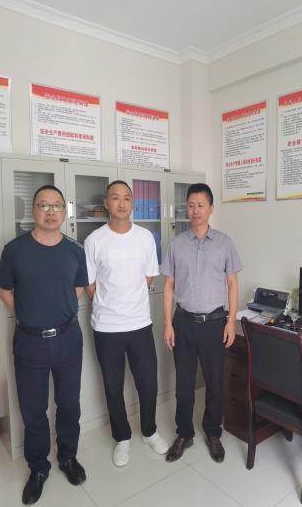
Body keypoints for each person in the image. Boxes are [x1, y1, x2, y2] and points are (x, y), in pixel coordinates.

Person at [0, 185, 87, 505]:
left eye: (56, 206)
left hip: (67, 338)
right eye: (44, 205)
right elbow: (4, 290)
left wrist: (57, 313)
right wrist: (28, 315)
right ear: (33, 210)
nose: (51, 212)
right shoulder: (14, 250)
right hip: (30, 341)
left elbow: (78, 288)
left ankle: (68, 458)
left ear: (64, 211)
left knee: (69, 404)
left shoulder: (75, 250)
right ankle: (38, 468)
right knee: (33, 410)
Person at [84, 180, 169, 467]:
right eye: (115, 198)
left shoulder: (145, 237)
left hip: (140, 323)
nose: (121, 203)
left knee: (148, 383)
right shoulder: (94, 240)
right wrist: (110, 303)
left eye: (127, 198)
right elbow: (90, 284)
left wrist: (128, 300)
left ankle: (149, 431)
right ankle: (122, 437)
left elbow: (149, 276)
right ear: (106, 203)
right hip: (106, 327)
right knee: (113, 387)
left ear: (133, 203)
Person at [161, 183, 242, 463]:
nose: (195, 211)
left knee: (215, 382)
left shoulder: (224, 243)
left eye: (200, 205)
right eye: (191, 205)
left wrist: (231, 322)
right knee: (183, 385)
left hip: (215, 323)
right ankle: (184, 433)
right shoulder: (176, 244)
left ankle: (213, 432)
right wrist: (167, 324)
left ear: (210, 209)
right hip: (183, 323)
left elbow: (232, 284)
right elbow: (168, 286)